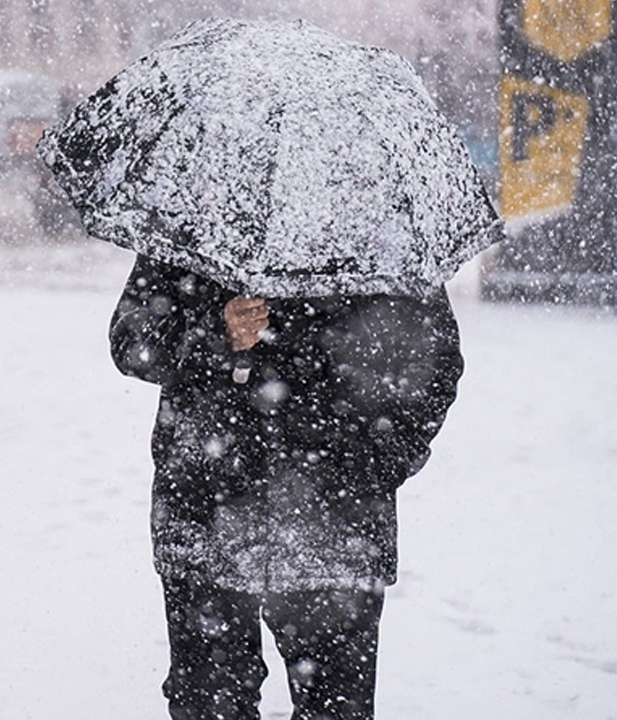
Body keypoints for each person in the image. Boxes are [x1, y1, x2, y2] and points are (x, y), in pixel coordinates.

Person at [110, 255, 464, 720]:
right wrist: (215, 333)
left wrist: (373, 465)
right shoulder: (195, 220)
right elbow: (132, 341)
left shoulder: (375, 227)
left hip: (335, 526)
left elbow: (434, 361)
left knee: (335, 710)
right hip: (207, 513)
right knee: (208, 704)